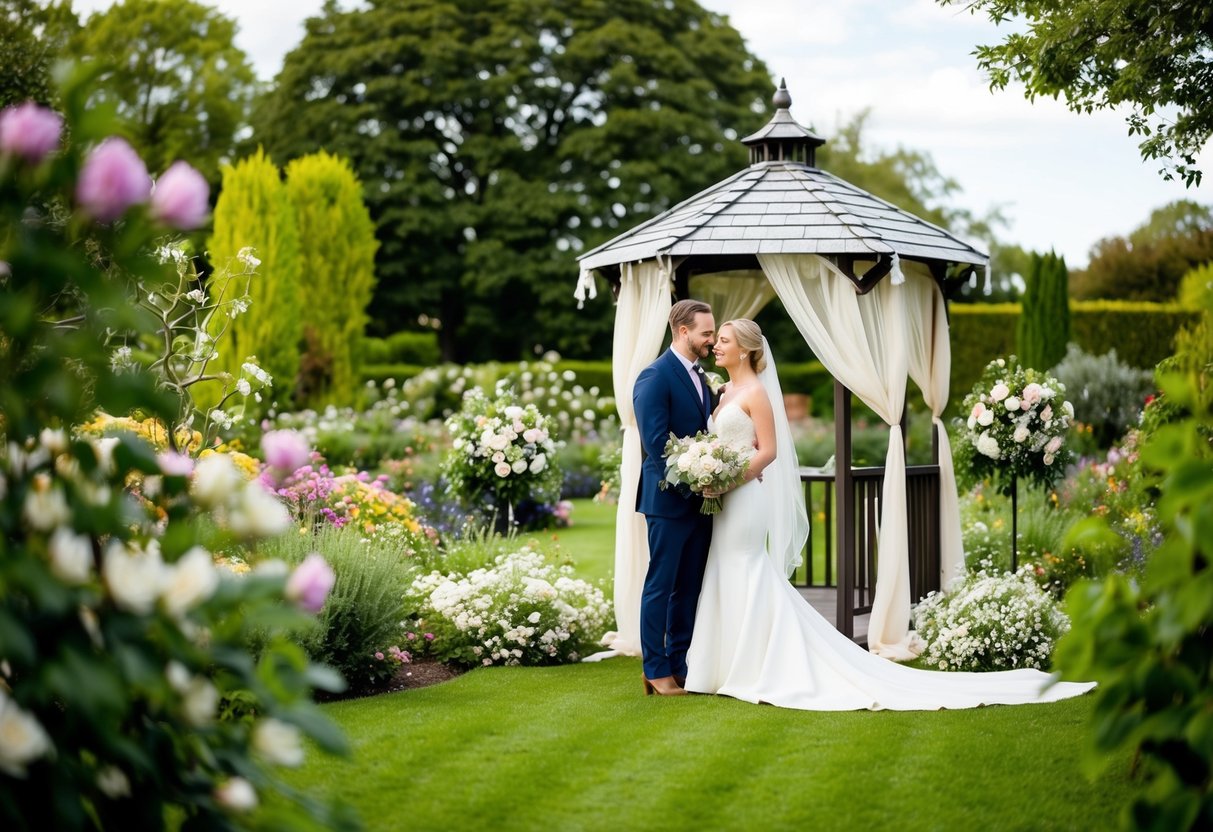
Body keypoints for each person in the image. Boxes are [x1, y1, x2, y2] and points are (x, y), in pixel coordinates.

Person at [683, 319, 1095, 710]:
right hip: (724, 498)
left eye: (724, 340)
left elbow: (768, 452)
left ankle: (757, 665)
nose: (716, 345)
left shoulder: (756, 392)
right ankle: (720, 667)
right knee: (724, 568)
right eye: (716, 338)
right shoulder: (723, 394)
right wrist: (708, 470)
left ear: (746, 350)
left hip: (742, 497)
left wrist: (727, 482)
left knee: (748, 568)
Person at [632, 299, 717, 696]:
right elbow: (655, 443)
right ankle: (655, 668)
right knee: (660, 585)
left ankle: (681, 664)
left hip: (702, 502)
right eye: (706, 333)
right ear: (683, 332)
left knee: (689, 586)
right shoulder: (654, 376)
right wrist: (692, 480)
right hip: (667, 501)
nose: (711, 340)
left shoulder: (702, 378)